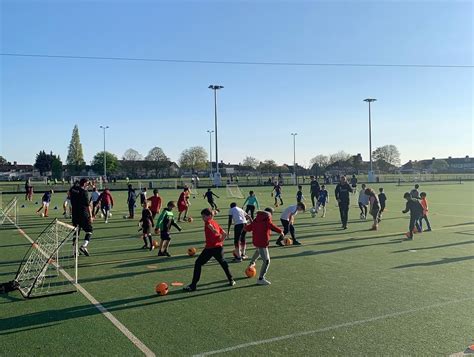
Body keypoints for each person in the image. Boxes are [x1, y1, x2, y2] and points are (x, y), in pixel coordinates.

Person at [183, 208, 235, 292]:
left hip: (210, 249)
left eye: (204, 216)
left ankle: (193, 286)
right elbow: (224, 233)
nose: (203, 218)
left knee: (198, 263)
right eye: (202, 216)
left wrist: (214, 231)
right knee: (223, 263)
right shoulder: (214, 222)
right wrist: (220, 240)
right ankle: (231, 280)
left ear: (209, 216)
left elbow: (210, 225)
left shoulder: (208, 222)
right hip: (218, 248)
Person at [244, 207, 284, 285]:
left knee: (258, 250)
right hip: (262, 242)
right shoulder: (266, 219)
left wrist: (246, 226)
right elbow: (271, 226)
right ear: (270, 214)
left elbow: (247, 228)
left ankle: (252, 263)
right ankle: (261, 278)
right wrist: (281, 231)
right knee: (266, 261)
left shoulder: (257, 219)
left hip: (256, 241)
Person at [69, 178, 93, 256]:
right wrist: (91, 216)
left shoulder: (73, 190)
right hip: (83, 214)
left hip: (75, 214)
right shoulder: (84, 192)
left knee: (76, 232)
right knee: (89, 230)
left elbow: (74, 190)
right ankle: (84, 246)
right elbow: (88, 205)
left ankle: (74, 251)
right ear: (85, 183)